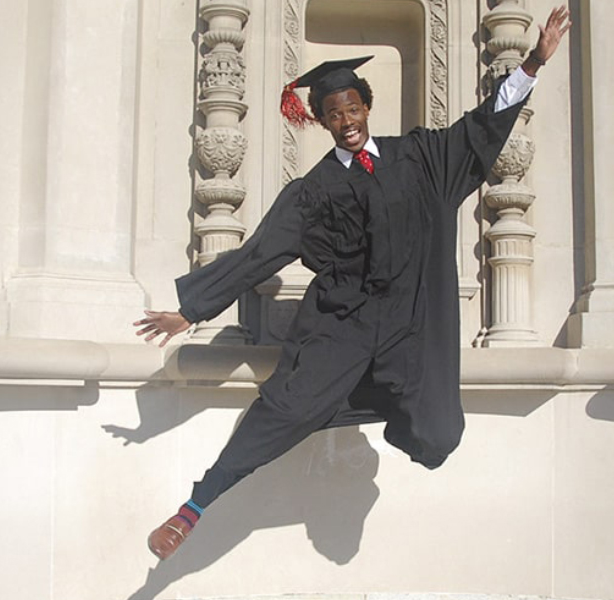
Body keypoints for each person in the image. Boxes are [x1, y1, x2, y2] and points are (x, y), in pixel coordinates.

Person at [136, 5, 571, 560]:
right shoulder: (311, 192)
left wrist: (533, 62)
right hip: (342, 326)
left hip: (409, 326)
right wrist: (191, 310)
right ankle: (192, 509)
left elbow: (481, 127)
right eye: (333, 113)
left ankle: (382, 403)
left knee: (439, 437)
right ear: (321, 121)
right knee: (285, 411)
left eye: (352, 107)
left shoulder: (418, 157)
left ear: (366, 105)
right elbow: (259, 254)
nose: (346, 120)